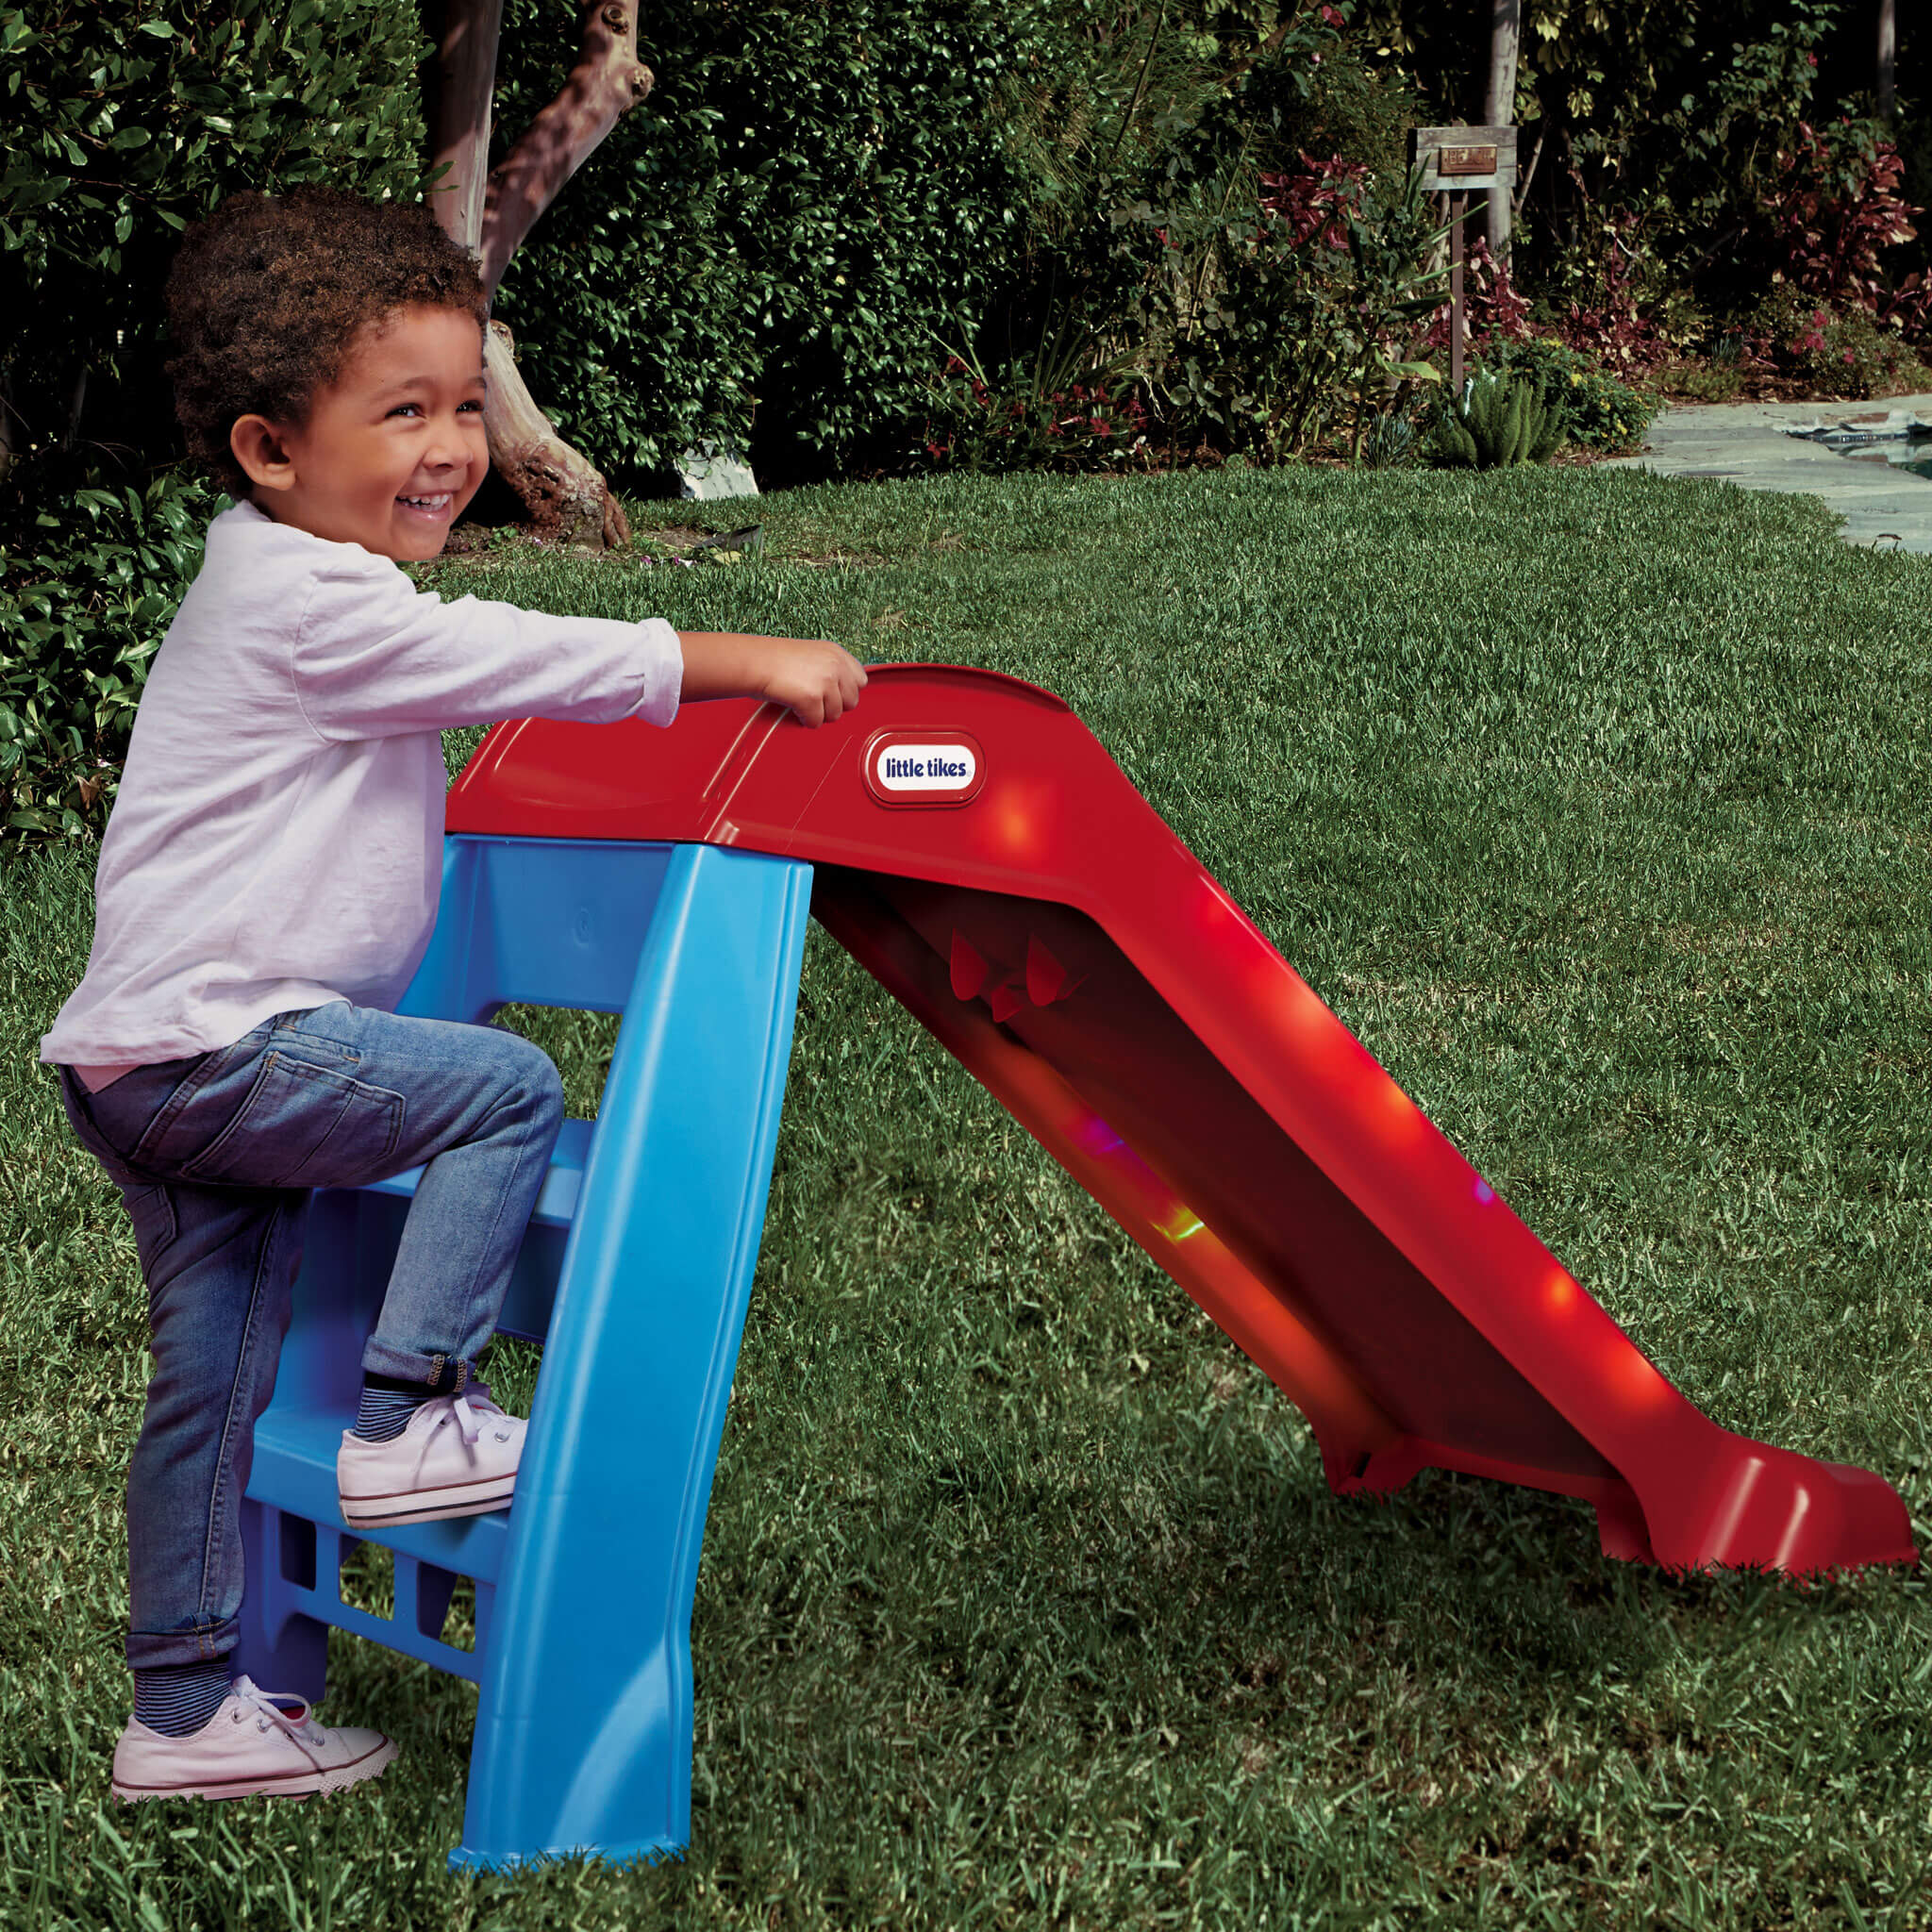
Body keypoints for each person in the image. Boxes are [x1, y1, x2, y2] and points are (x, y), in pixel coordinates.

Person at [38, 185, 865, 1804]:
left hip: (143, 1064)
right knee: (500, 1091)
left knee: (215, 1379)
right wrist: (740, 655)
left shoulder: (259, 577)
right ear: (273, 451)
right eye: (400, 411)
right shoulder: (310, 602)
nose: (450, 444)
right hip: (222, 1047)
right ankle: (415, 1413)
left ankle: (186, 1712)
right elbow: (512, 658)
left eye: (465, 402)